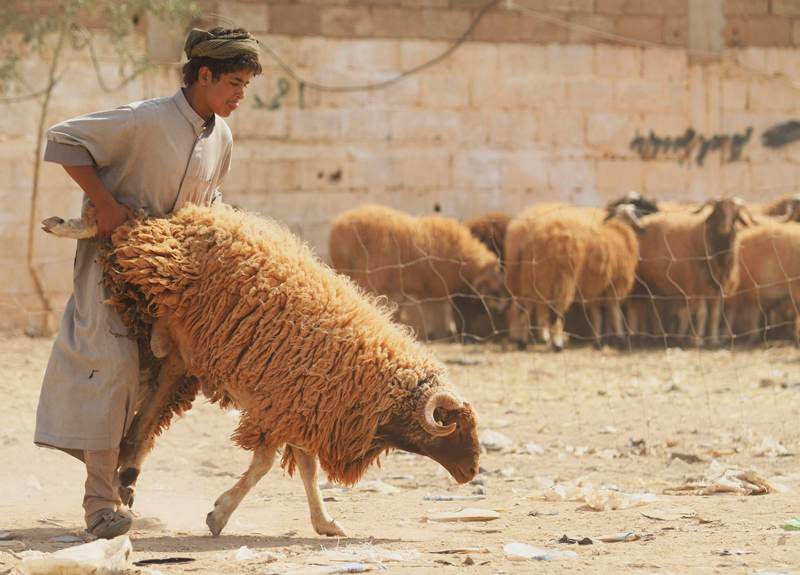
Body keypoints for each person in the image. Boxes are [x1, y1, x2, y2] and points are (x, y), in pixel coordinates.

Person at [34, 27, 261, 539]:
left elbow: (211, 202)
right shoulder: (143, 119)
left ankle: (120, 472)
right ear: (203, 75)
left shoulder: (221, 137)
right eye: (232, 83)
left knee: (151, 385)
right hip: (111, 271)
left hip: (170, 285)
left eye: (245, 86)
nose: (239, 97)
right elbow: (63, 140)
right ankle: (100, 507)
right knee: (110, 375)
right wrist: (108, 204)